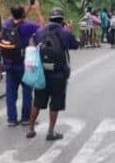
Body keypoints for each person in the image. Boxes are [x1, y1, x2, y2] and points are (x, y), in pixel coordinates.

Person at [27, 7, 80, 141]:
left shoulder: (41, 30)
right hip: (58, 74)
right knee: (55, 104)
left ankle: (30, 128)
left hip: (42, 73)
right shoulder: (64, 32)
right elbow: (75, 45)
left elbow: (32, 42)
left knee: (37, 102)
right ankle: (51, 131)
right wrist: (69, 31)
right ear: (62, 19)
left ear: (50, 18)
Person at [1, 3, 41, 126]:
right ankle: (25, 118)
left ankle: (11, 119)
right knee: (27, 92)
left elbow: (17, 19)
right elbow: (43, 27)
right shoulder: (28, 26)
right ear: (23, 14)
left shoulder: (6, 24)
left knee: (11, 93)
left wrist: (26, 9)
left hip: (9, 63)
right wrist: (37, 11)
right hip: (23, 64)